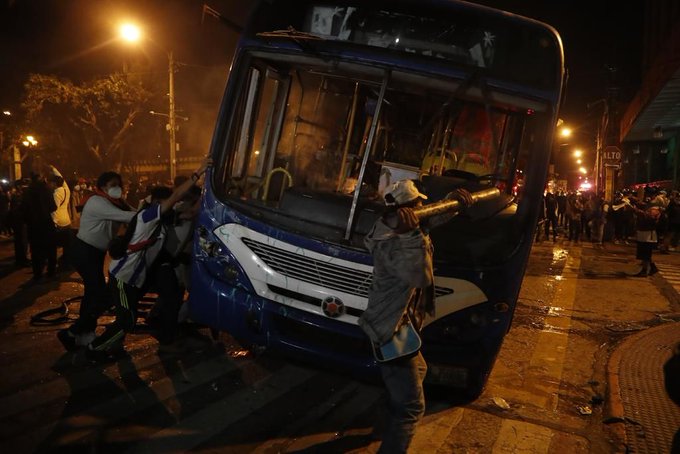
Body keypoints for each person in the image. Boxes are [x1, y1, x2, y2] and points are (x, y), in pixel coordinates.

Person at [359, 179, 472, 454]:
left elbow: (432, 219)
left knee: (416, 371)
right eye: (418, 206)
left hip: (399, 324)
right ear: (407, 209)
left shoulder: (398, 225)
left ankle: (382, 423)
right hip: (391, 330)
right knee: (412, 407)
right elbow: (421, 277)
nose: (423, 209)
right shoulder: (394, 243)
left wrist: (452, 202)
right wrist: (411, 237)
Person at [85, 158, 210, 360]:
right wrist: (198, 173)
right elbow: (177, 195)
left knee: (128, 315)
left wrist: (210, 187)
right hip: (123, 279)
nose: (172, 206)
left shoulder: (158, 220)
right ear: (157, 203)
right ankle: (95, 349)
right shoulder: (146, 217)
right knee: (128, 320)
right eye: (167, 203)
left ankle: (111, 342)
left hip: (134, 277)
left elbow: (191, 212)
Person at [57, 172, 135, 351]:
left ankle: (80, 333)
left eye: (118, 184)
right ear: (102, 187)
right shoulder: (97, 202)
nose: (116, 188)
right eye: (112, 185)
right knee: (99, 293)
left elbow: (133, 212)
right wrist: (155, 213)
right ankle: (74, 332)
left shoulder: (117, 202)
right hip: (84, 251)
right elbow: (130, 217)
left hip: (95, 253)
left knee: (93, 293)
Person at [23, 173, 57, 281]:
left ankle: (38, 273)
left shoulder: (27, 191)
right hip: (46, 223)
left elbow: (24, 209)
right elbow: (53, 207)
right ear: (40, 178)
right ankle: (51, 272)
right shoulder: (46, 189)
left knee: (35, 249)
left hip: (33, 225)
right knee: (51, 248)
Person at [629, 199, 661, 276]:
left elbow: (647, 217)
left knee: (646, 255)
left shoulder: (654, 213)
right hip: (644, 235)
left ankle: (645, 270)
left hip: (648, 236)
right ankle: (652, 268)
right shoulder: (647, 213)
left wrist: (636, 210)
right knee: (644, 255)